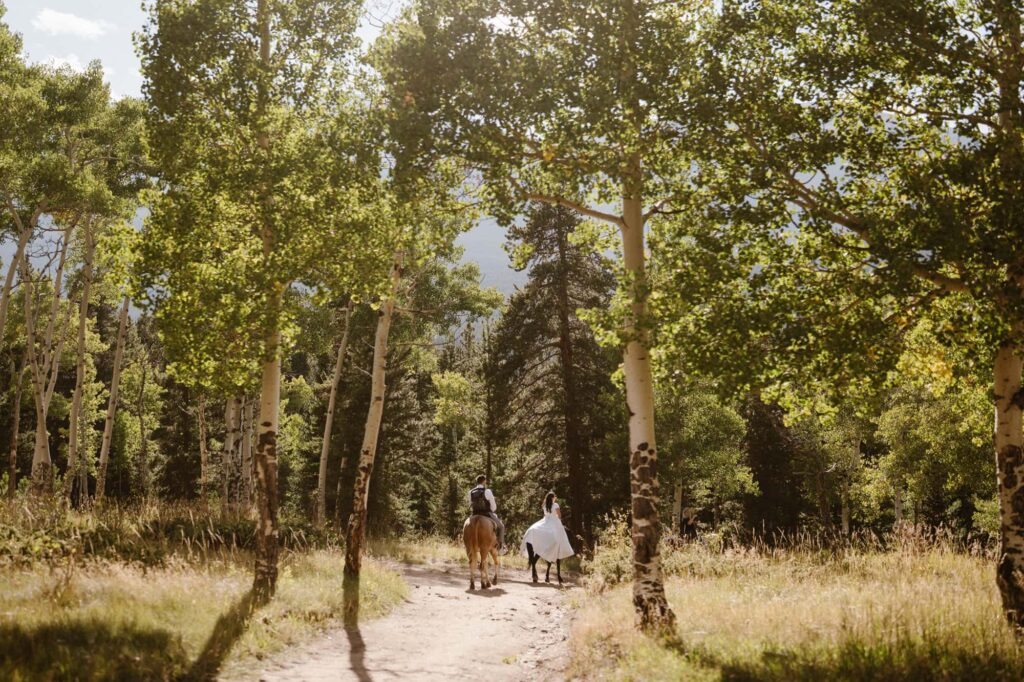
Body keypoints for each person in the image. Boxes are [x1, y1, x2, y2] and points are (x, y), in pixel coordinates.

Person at [520, 491, 574, 582]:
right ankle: (553, 555)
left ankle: (538, 569)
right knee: (558, 541)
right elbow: (559, 516)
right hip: (554, 523)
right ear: (553, 498)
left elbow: (546, 515)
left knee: (532, 529)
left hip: (545, 521)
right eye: (555, 497)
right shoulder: (555, 505)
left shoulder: (544, 505)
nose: (555, 498)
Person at [468, 474, 505, 553]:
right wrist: (491, 510)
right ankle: (500, 547)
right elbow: (494, 507)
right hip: (486, 513)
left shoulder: (471, 492)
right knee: (501, 527)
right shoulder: (487, 491)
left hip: (474, 514)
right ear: (484, 481)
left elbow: (470, 504)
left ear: (477, 482)